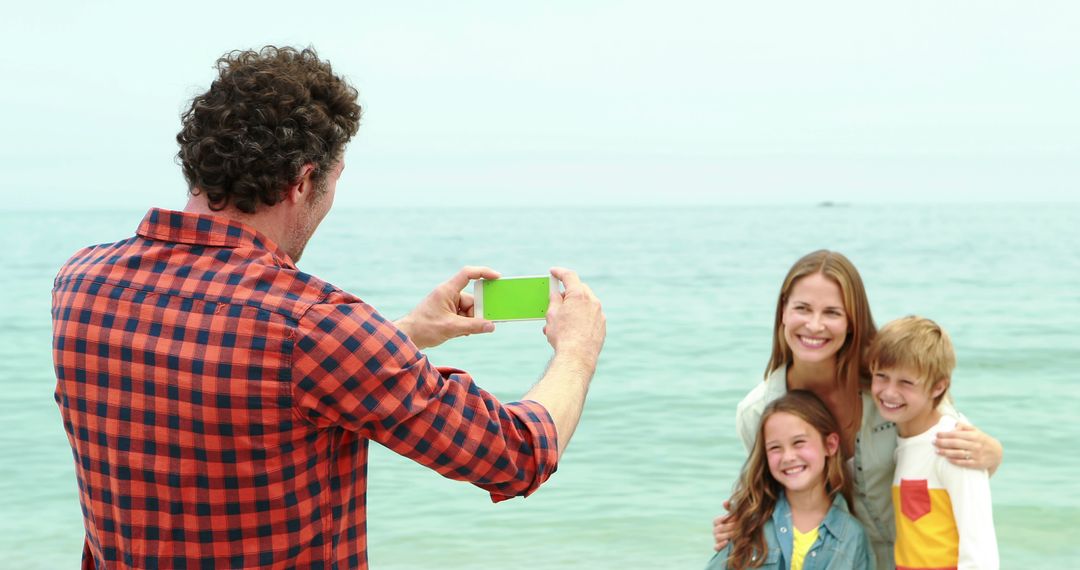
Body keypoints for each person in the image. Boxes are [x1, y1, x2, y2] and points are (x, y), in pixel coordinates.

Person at [51, 46, 606, 569]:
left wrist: (407, 332)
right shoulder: (315, 327)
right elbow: (515, 456)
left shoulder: (79, 282)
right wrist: (577, 349)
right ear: (304, 180)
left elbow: (228, 361)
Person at [713, 250, 1002, 569]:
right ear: (783, 310)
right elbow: (774, 496)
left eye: (832, 312)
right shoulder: (758, 411)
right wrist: (740, 526)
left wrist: (993, 452)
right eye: (802, 308)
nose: (814, 325)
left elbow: (950, 446)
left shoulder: (889, 385)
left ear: (853, 320)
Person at [868, 316, 998, 569]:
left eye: (906, 382)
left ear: (938, 387)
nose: (889, 392)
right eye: (881, 376)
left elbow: (980, 549)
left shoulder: (954, 445)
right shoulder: (900, 438)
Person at [706, 391, 873, 570]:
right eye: (775, 448)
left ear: (830, 445)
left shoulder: (851, 537)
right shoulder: (750, 522)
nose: (788, 457)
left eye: (799, 442)